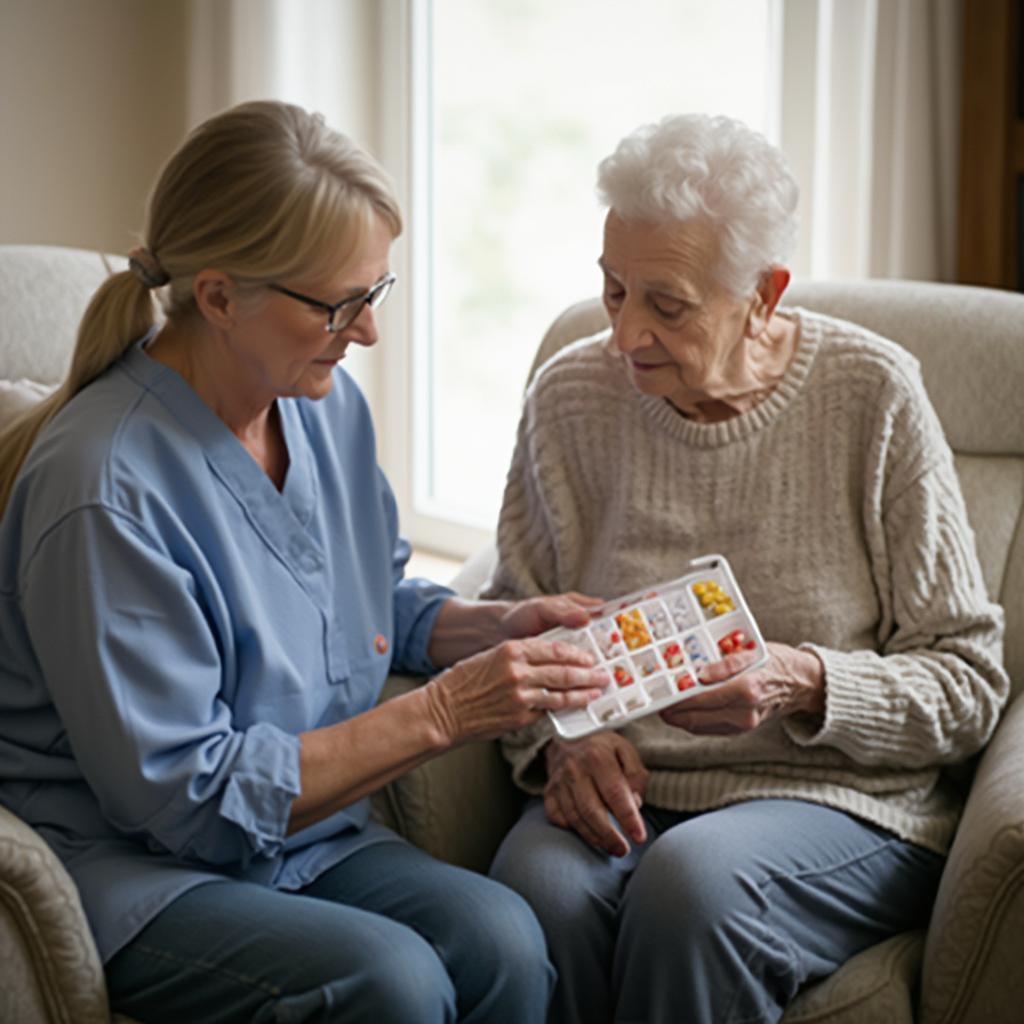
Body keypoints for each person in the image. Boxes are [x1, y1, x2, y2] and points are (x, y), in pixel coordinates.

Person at [0, 100, 611, 1024]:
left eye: (377, 293)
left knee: (506, 938)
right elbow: (186, 799)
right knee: (389, 982)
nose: (366, 332)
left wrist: (493, 625)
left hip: (305, 836)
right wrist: (451, 708)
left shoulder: (323, 405)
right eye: (341, 304)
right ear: (217, 297)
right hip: (138, 865)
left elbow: (354, 601)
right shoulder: (103, 487)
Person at [483, 113, 1009, 1024]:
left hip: (841, 802)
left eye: (667, 304)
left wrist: (802, 682)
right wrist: (562, 743)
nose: (624, 335)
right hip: (630, 788)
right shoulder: (571, 397)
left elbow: (966, 684)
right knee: (534, 896)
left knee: (693, 886)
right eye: (612, 291)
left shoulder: (873, 393)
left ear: (765, 294)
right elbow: (513, 629)